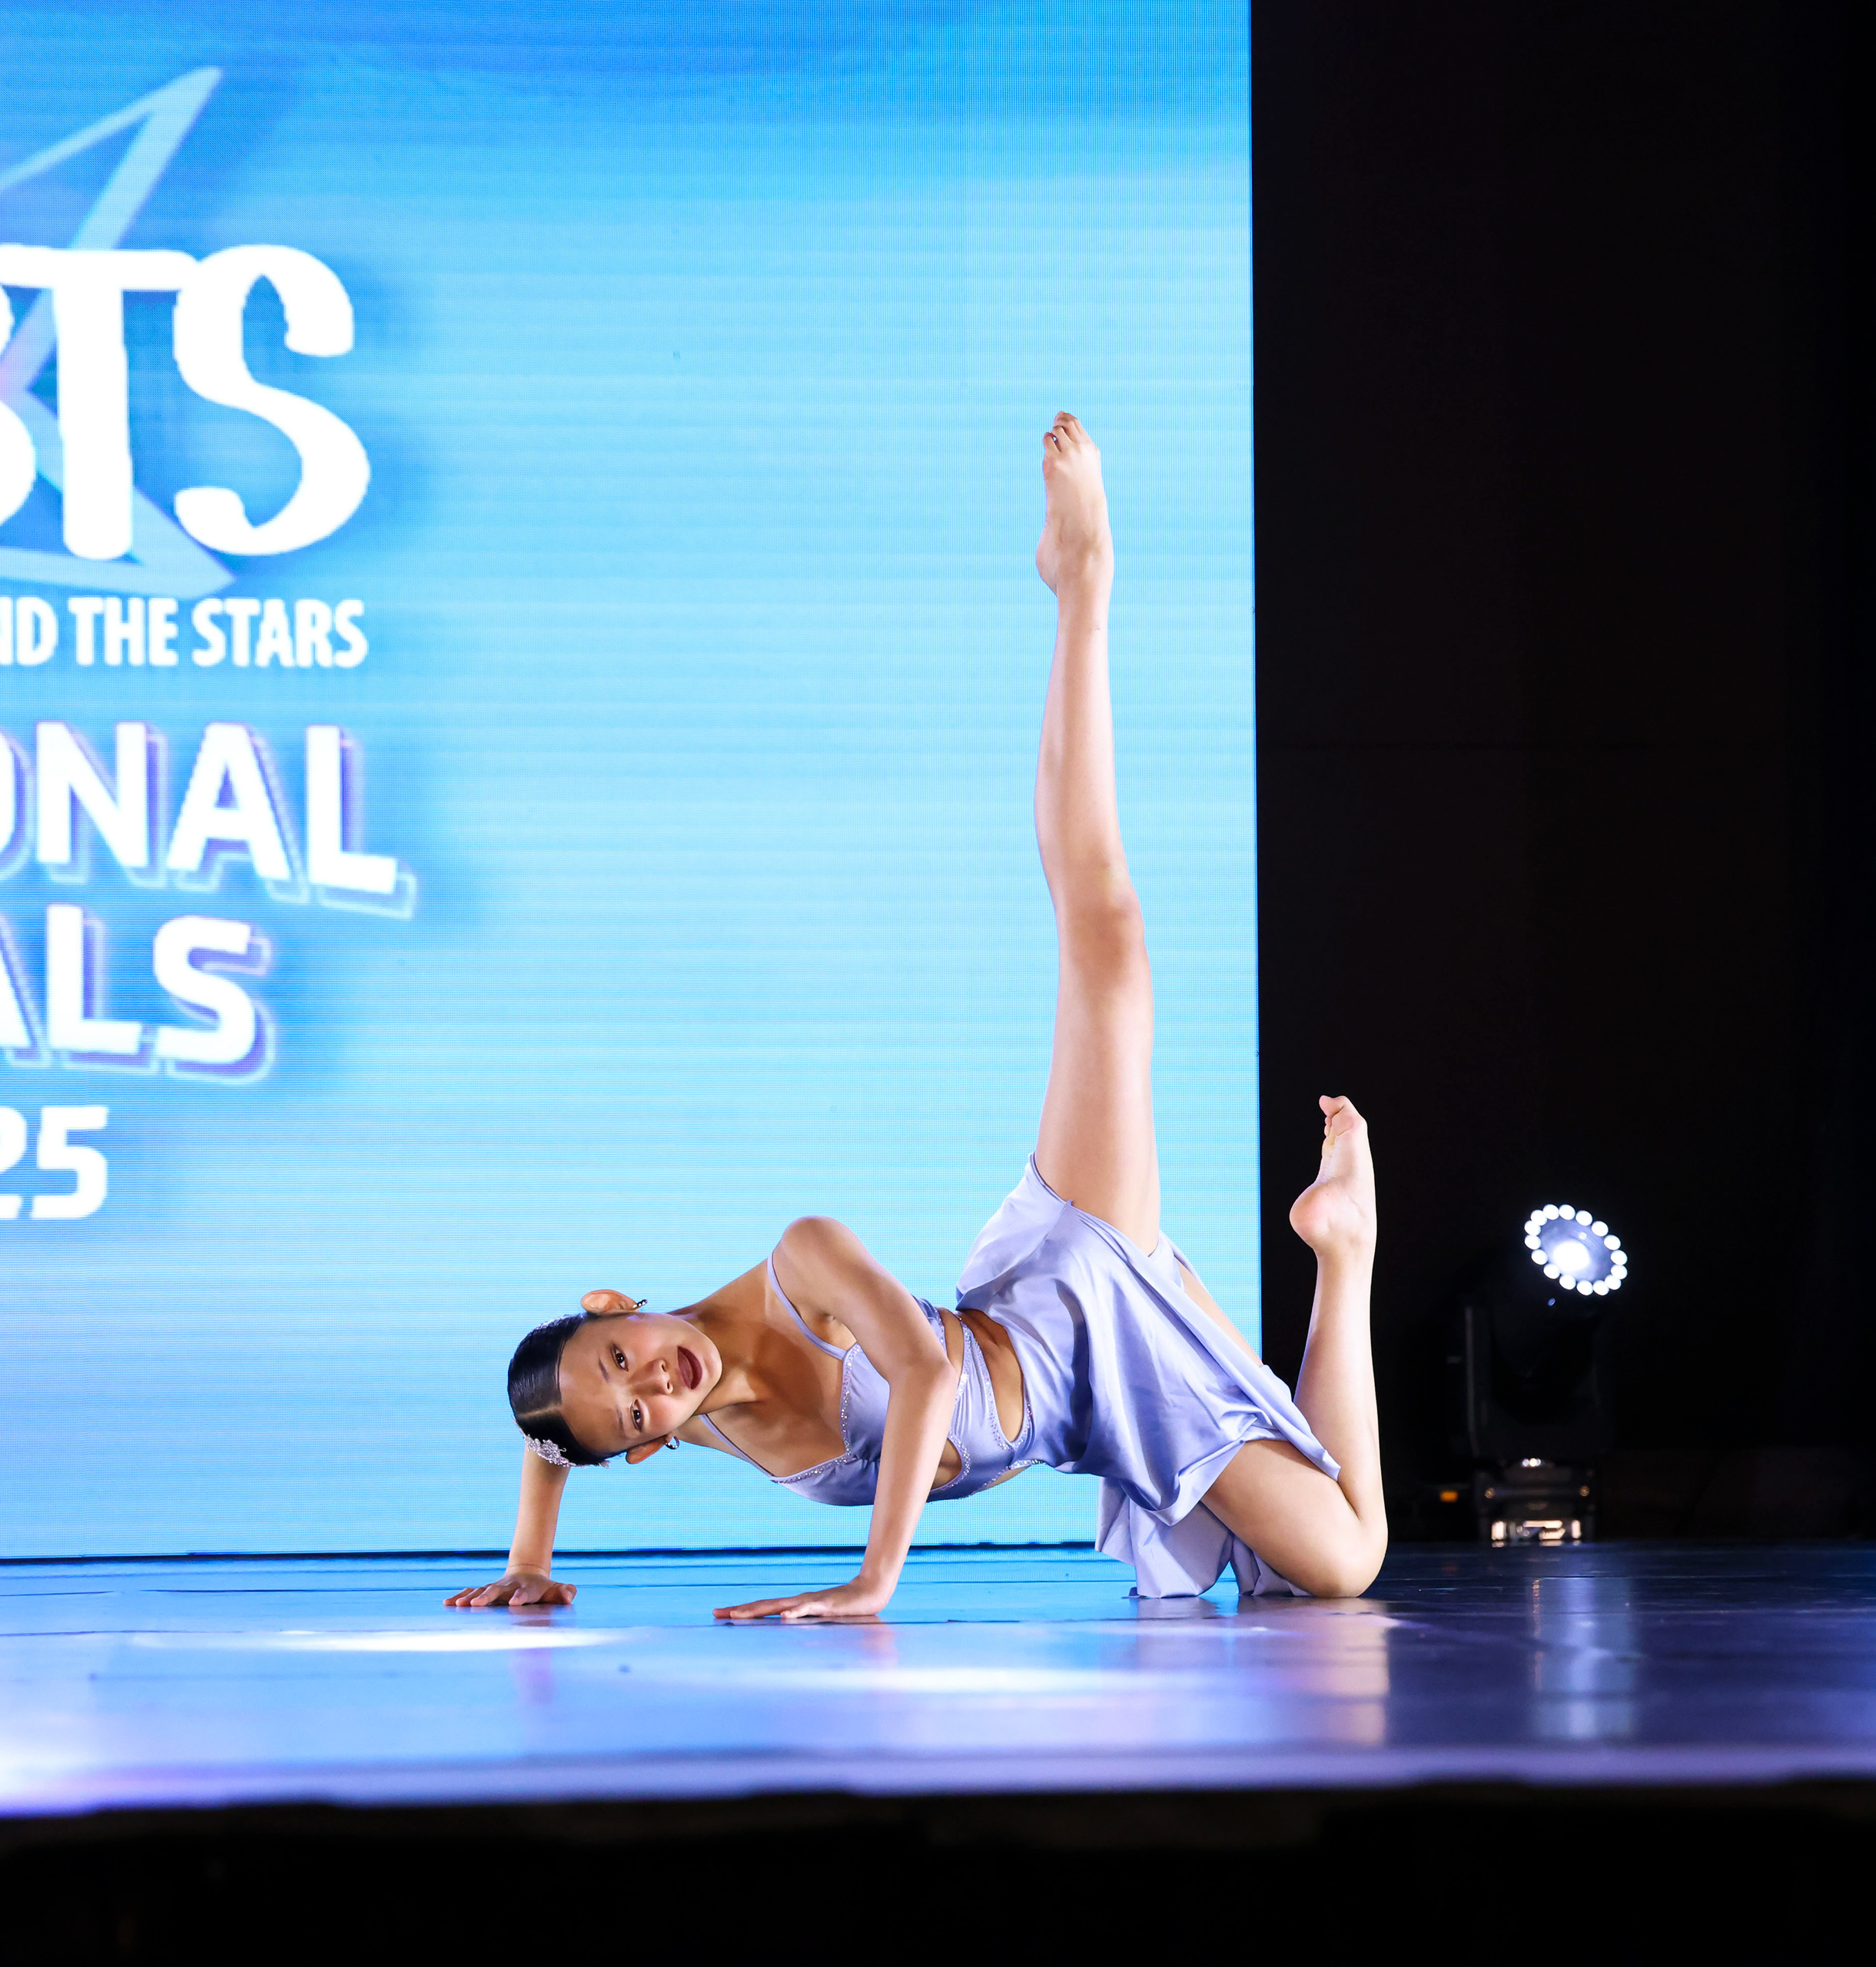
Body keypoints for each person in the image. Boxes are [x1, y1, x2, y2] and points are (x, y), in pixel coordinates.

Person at [447, 414, 1383, 1618]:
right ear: (644, 1449)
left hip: (1067, 1299)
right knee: (1333, 1566)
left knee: (1106, 938)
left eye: (620, 1356)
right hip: (1092, 1419)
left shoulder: (801, 1260)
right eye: (634, 1414)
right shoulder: (691, 1421)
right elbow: (551, 1437)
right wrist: (530, 1561)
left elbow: (929, 1377)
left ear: (612, 1304)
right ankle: (1343, 1253)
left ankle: (1082, 586)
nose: (651, 1382)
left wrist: (872, 1581)